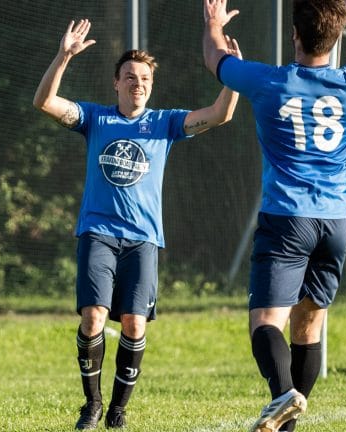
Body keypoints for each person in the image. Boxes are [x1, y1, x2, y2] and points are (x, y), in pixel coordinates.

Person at [201, 0, 346, 431]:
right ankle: (287, 423)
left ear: (295, 35)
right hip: (335, 221)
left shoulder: (268, 81)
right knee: (309, 324)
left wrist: (213, 24)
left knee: (266, 322)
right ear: (337, 38)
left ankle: (283, 396)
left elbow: (214, 57)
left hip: (286, 219)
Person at [33, 18, 240, 430]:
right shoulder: (95, 119)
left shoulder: (164, 123)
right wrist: (63, 56)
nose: (138, 83)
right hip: (98, 234)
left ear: (151, 85)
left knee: (134, 323)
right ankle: (91, 405)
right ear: (116, 83)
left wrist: (232, 73)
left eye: (144, 77)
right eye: (130, 76)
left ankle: (118, 410)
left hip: (144, 240)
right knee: (93, 317)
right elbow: (44, 102)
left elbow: (220, 114)